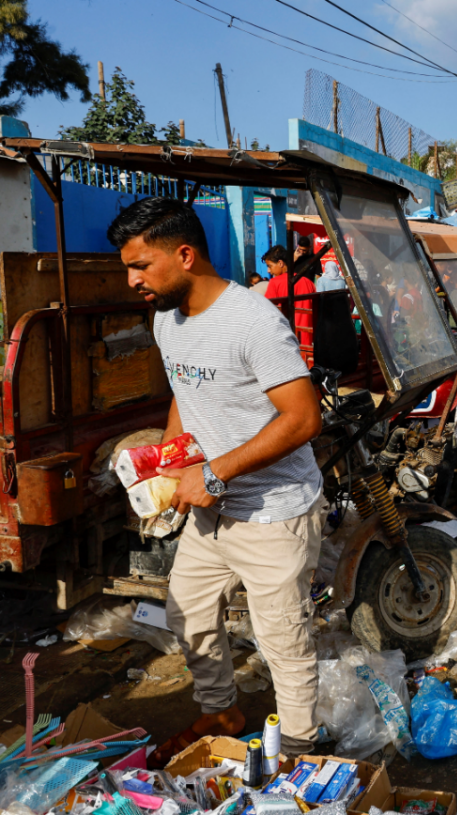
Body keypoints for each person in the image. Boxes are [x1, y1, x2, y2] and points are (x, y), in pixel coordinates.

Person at [107, 197, 324, 762]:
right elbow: (186, 391)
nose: (132, 280)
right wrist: (172, 460)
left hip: (275, 513)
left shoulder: (252, 320)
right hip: (212, 507)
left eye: (141, 266)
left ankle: (297, 752)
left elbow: (302, 418)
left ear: (184, 255)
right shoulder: (166, 320)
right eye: (128, 268)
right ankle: (220, 710)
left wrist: (215, 472)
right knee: (186, 610)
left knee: (284, 643)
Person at [264, 245, 316, 357]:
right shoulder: (308, 282)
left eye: (270, 266)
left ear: (281, 263)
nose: (269, 270)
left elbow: (268, 312)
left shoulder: (274, 283)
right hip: (308, 341)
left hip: (286, 340)